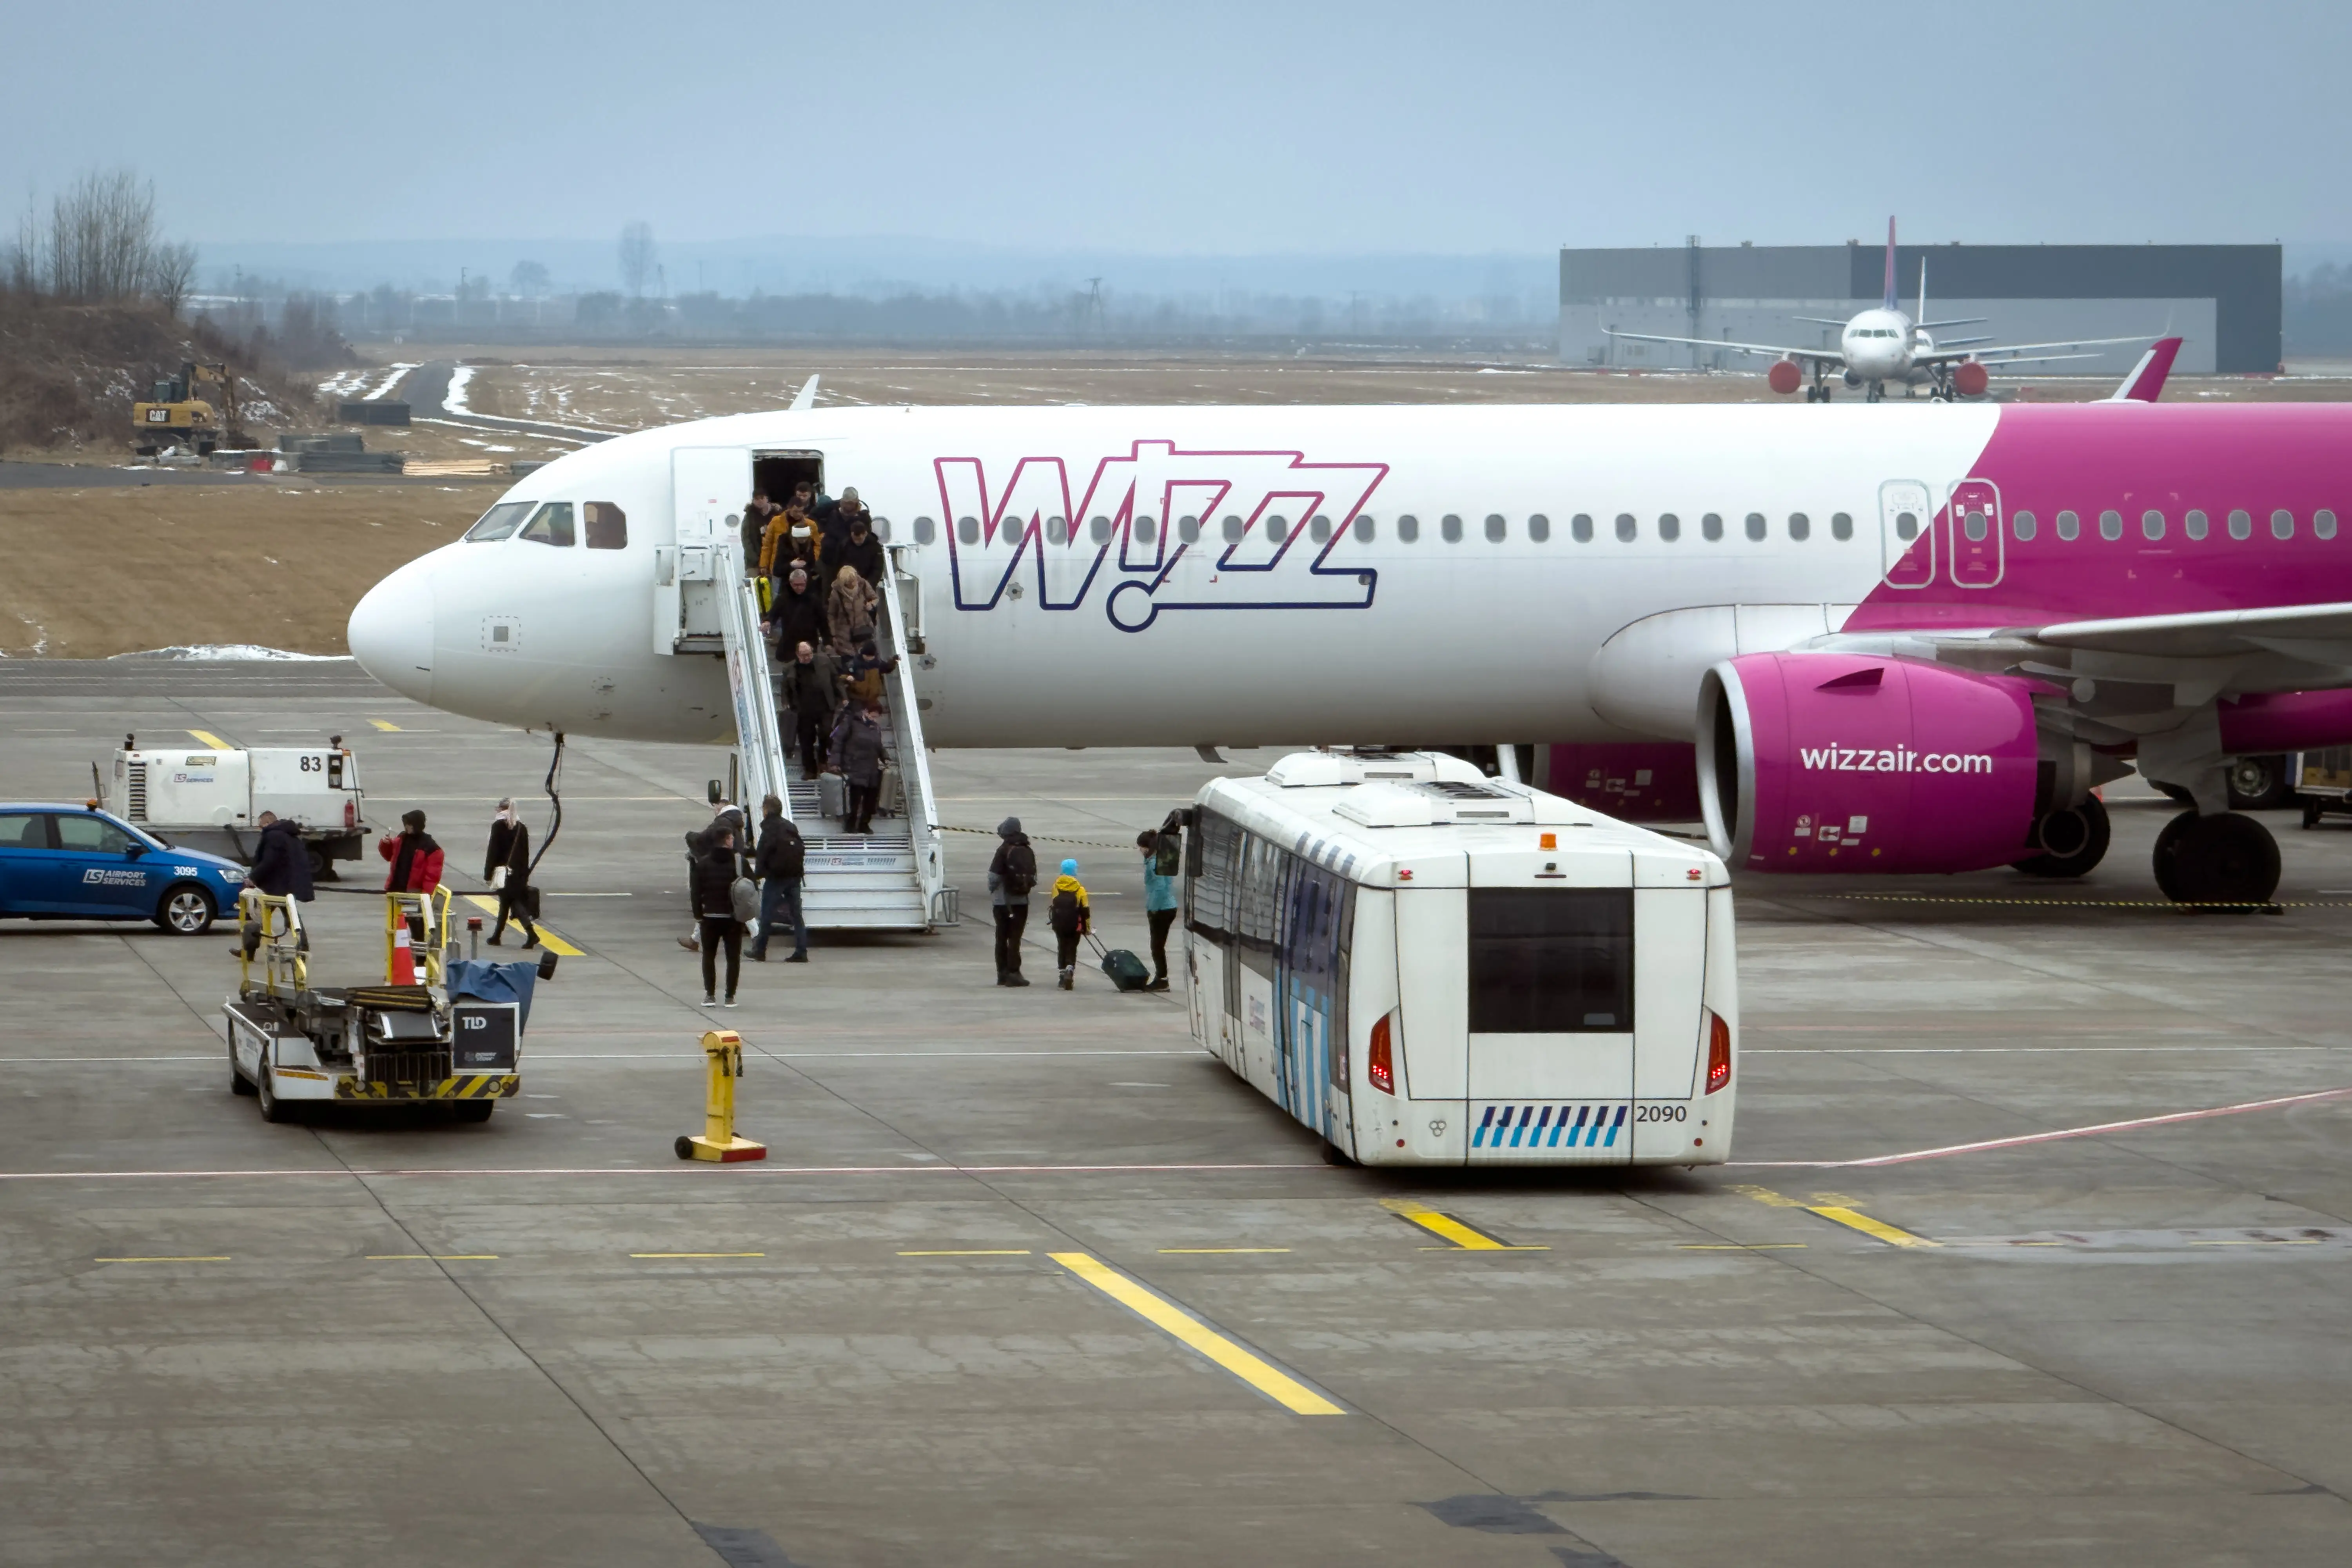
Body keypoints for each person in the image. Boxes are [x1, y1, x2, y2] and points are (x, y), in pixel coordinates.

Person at [678, 800, 748, 952]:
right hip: (733, 866)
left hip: (722, 868)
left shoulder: (722, 822)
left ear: (723, 808)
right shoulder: (736, 821)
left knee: (714, 904)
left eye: (717, 807)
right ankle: (694, 940)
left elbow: (704, 838)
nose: (715, 810)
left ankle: (758, 937)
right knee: (740, 903)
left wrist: (690, 837)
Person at [748, 794, 808, 963]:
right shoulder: (790, 827)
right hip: (794, 876)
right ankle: (802, 951)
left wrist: (758, 875)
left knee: (767, 914)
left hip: (776, 878)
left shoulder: (769, 829)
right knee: (797, 915)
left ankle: (760, 950)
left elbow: (763, 854)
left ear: (767, 810)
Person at [689, 824, 744, 1007]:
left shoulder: (703, 864)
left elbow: (695, 892)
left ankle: (710, 995)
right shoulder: (738, 863)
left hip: (710, 916)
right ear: (728, 840)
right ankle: (730, 997)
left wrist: (699, 915)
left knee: (709, 956)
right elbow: (749, 889)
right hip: (732, 918)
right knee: (733, 957)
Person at [484, 798, 539, 948]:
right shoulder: (522, 828)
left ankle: (532, 934)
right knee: (507, 903)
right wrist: (524, 875)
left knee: (512, 903)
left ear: (502, 809)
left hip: (504, 873)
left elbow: (493, 852)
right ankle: (497, 936)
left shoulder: (498, 827)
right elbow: (526, 854)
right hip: (519, 874)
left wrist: (488, 874)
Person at [782, 640, 842, 778]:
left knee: (826, 732)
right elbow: (785, 688)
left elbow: (835, 679)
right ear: (798, 654)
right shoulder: (791, 668)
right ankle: (810, 769)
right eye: (804, 655)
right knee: (806, 740)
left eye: (809, 654)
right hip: (804, 710)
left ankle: (823, 761)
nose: (807, 657)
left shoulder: (824, 661)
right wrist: (786, 702)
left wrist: (842, 696)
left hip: (825, 706)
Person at [987, 817, 1036, 987]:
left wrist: (995, 893)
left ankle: (1003, 974)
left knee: (1002, 937)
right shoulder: (1027, 849)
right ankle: (1014, 972)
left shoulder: (1003, 850)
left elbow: (993, 877)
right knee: (1015, 938)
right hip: (1021, 902)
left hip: (1002, 903)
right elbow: (1034, 877)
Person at [833, 699, 887, 835]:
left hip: (871, 768)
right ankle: (851, 824)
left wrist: (885, 756)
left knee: (871, 800)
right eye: (873, 716)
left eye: (877, 717)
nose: (875, 719)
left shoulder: (875, 728)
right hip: (855, 767)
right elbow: (838, 741)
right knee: (855, 800)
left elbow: (878, 745)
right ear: (865, 712)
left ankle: (865, 824)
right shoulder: (851, 723)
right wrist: (835, 762)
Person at [1138, 829, 1178, 992]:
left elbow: (1160, 888)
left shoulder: (1154, 863)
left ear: (1147, 847)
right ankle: (1161, 977)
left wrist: (1153, 909)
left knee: (1157, 946)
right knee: (1158, 945)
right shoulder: (1159, 859)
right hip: (1165, 907)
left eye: (1140, 847)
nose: (1140, 850)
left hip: (1162, 909)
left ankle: (1162, 979)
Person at [245, 810, 314, 903]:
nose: (260, 829)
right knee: (289, 911)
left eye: (261, 826)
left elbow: (269, 861)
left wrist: (253, 878)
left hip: (279, 884)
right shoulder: (291, 835)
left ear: (269, 823)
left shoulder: (273, 835)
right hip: (291, 882)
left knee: (264, 908)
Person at [1048, 858, 1091, 991]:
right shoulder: (1080, 889)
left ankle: (1062, 974)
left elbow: (1054, 904)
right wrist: (1087, 928)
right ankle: (1070, 969)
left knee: (1062, 946)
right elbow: (1085, 910)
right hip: (1075, 925)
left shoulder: (1056, 886)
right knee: (1072, 948)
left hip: (1059, 924)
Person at [770, 564, 827, 661]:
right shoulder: (783, 599)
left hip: (810, 643)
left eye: (802, 585)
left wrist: (828, 640)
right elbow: (773, 616)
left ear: (806, 583)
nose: (799, 588)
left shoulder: (814, 600)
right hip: (790, 645)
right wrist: (768, 623)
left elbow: (823, 622)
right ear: (791, 583)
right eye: (796, 585)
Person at [378, 809, 444, 893]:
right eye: (405, 824)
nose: (406, 827)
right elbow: (389, 856)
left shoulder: (432, 849)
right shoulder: (402, 839)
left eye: (409, 825)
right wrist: (386, 844)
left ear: (416, 826)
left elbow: (432, 878)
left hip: (415, 894)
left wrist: (426, 896)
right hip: (395, 890)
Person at [827, 563, 877, 656]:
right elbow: (832, 614)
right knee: (850, 661)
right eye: (849, 582)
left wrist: (871, 605)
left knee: (866, 658)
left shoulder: (863, 584)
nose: (853, 583)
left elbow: (875, 598)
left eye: (854, 580)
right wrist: (833, 634)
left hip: (864, 629)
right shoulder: (836, 593)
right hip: (845, 635)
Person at [835, 510, 886, 585]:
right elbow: (839, 565)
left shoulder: (875, 547)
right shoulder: (844, 546)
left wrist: (869, 584)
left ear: (865, 534)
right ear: (852, 534)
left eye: (860, 539)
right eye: (855, 539)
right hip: (849, 585)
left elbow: (877, 569)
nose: (857, 542)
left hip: (868, 585)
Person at [842, 639, 897, 709]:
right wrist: (850, 679)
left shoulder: (877, 664)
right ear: (863, 654)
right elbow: (844, 677)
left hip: (873, 697)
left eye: (872, 657)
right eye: (868, 656)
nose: (870, 659)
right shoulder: (854, 664)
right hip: (858, 698)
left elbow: (887, 668)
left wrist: (893, 662)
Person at [741, 489, 780, 568]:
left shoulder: (777, 514)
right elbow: (746, 538)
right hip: (755, 561)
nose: (760, 501)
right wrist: (754, 559)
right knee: (755, 579)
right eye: (756, 499)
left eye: (762, 498)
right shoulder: (750, 515)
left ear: (767, 499)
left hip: (774, 560)